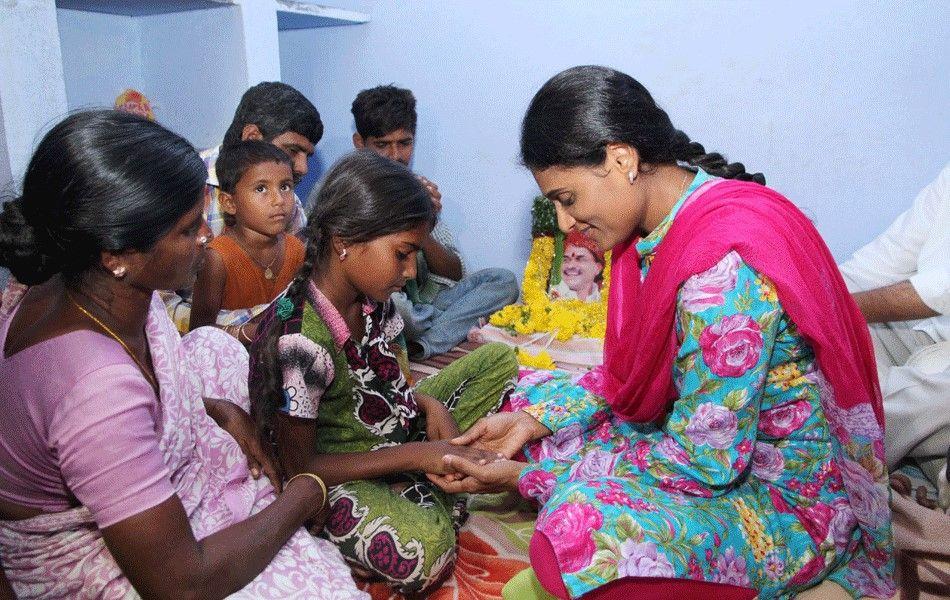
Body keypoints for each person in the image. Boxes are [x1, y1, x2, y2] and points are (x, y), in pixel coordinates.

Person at [430, 66, 895, 600]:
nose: (563, 223)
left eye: (567, 198)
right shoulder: (663, 228)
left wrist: (525, 480)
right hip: (708, 435)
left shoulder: (721, 277)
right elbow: (631, 377)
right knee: (534, 395)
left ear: (621, 160)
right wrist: (535, 422)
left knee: (577, 536)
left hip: (786, 495)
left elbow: (706, 462)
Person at [0, 110, 365, 599]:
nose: (204, 239)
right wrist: (306, 492)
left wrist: (214, 409)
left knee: (214, 344)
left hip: (121, 448)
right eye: (188, 228)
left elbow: (157, 386)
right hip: (110, 562)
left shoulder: (91, 282)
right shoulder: (94, 388)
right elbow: (181, 584)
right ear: (116, 253)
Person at [249, 150, 518, 594]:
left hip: (397, 432)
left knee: (499, 361)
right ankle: (432, 491)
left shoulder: (375, 300)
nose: (411, 271)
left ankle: (428, 485)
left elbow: (397, 386)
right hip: (340, 473)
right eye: (403, 254)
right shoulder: (301, 343)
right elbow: (300, 471)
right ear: (344, 241)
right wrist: (422, 456)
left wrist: (429, 406)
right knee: (424, 549)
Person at [349, 85, 519, 359]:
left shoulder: (416, 187)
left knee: (503, 281)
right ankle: (432, 333)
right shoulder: (349, 190)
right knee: (402, 312)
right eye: (382, 145)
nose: (395, 156)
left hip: (426, 302)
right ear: (360, 143)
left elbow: (456, 273)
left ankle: (421, 343)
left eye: (404, 143)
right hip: (383, 300)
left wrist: (423, 226)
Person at [164, 81, 322, 335]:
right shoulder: (180, 186)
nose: (303, 167)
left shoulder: (287, 205)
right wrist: (240, 328)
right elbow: (156, 305)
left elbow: (297, 295)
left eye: (307, 156)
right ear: (252, 138)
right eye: (293, 151)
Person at [839, 163, 950, 497]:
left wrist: (830, 310)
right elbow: (876, 266)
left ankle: (837, 446)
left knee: (931, 381)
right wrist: (806, 302)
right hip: (931, 339)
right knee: (817, 344)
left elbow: (939, 290)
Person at [189, 141, 305, 336]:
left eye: (285, 186)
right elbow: (199, 331)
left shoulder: (296, 249)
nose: (278, 200)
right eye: (261, 189)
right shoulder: (217, 259)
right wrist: (252, 332)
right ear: (229, 203)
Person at [549, 230, 605, 302]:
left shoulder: (607, 301)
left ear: (597, 268)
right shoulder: (546, 297)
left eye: (580, 259)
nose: (570, 266)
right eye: (566, 259)